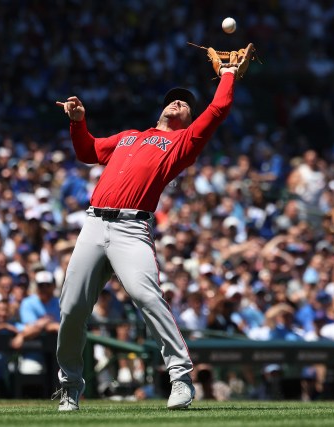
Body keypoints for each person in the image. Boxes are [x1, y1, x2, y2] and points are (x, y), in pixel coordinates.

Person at [53, 64, 240, 411]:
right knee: (71, 308)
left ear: (188, 119)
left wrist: (227, 74)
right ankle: (69, 387)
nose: (178, 104)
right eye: (173, 101)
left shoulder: (183, 142)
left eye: (185, 104)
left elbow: (218, 109)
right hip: (94, 224)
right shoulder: (128, 136)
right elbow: (88, 152)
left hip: (131, 228)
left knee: (148, 297)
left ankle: (182, 377)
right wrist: (78, 122)